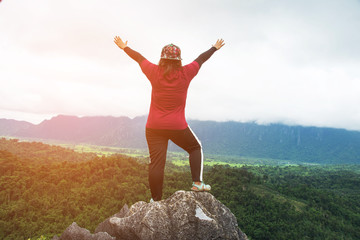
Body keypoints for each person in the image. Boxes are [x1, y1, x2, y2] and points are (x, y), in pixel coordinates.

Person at [114, 36, 225, 201]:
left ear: (162, 58)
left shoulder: (154, 71)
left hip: (154, 126)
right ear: (179, 60)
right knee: (195, 147)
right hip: (177, 126)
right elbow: (201, 59)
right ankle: (197, 183)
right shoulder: (186, 73)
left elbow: (139, 58)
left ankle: (156, 199)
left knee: (157, 163)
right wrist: (214, 48)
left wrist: (124, 47)